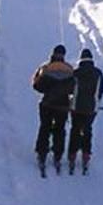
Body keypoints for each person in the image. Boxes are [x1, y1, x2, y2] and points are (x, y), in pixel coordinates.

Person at [32, 45, 76, 175]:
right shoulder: (69, 69)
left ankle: (42, 152)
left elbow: (36, 85)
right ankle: (58, 154)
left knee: (44, 127)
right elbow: (73, 88)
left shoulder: (45, 68)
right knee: (60, 130)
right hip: (62, 106)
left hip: (47, 104)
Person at [67, 48, 103, 175]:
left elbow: (70, 89)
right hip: (91, 109)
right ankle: (86, 154)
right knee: (87, 130)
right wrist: (96, 103)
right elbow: (101, 91)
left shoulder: (75, 73)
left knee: (75, 129)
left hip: (76, 107)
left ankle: (72, 154)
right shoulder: (98, 73)